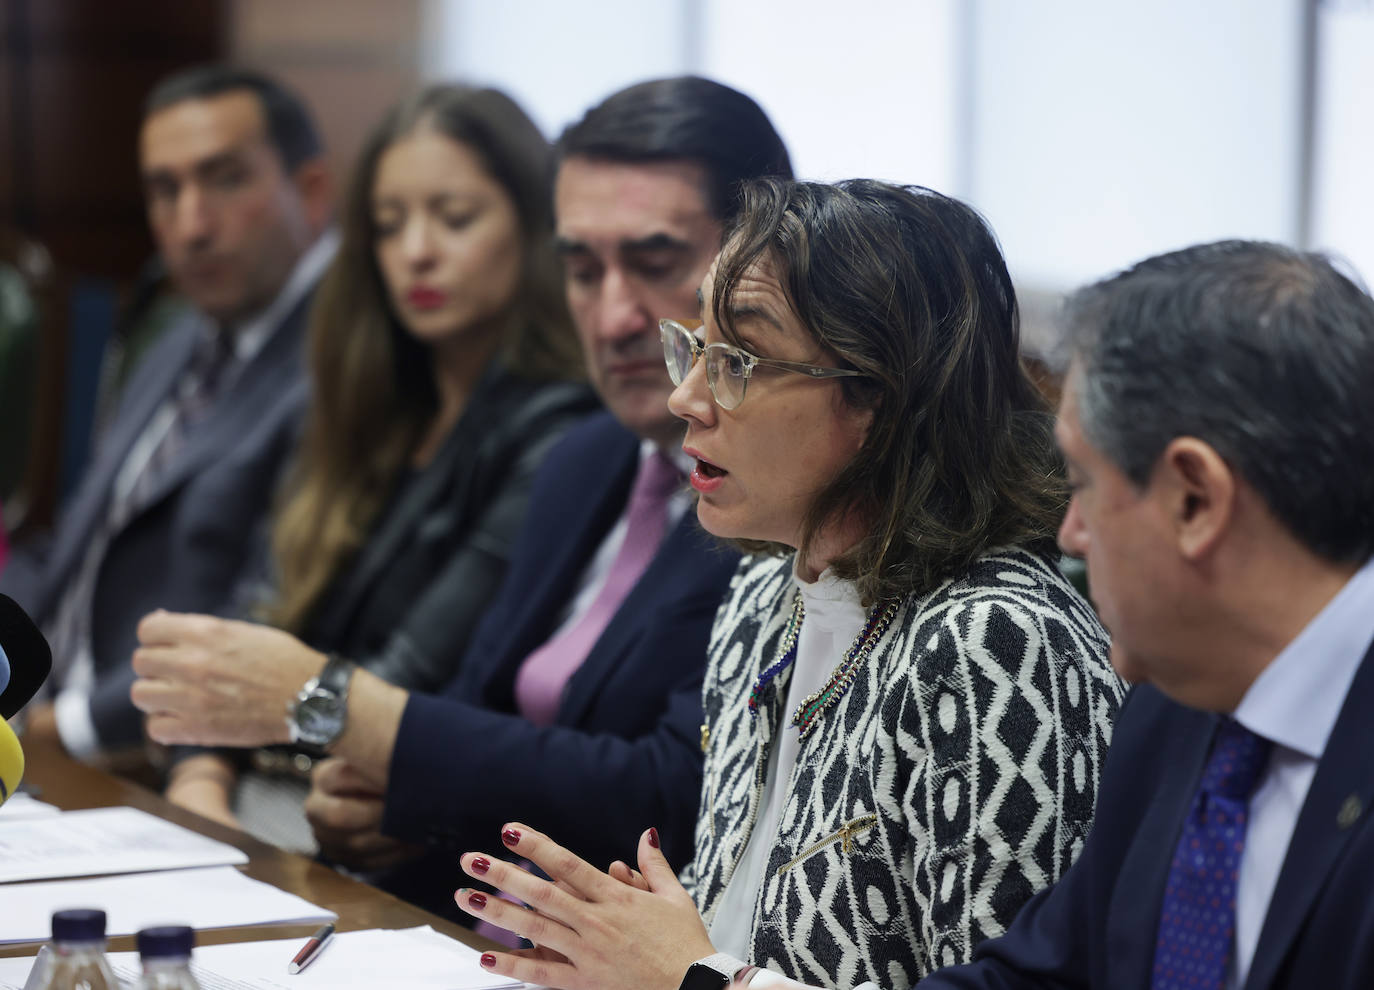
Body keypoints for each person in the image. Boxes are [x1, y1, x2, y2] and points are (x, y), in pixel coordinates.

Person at [129, 76, 792, 915]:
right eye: (583, 269)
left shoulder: (779, 491)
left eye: (655, 263)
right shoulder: (589, 456)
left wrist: (340, 709)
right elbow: (471, 702)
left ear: (764, 263)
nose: (616, 314)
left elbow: (674, 794)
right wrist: (395, 809)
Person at [449, 179, 1123, 989]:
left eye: (736, 362)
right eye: (694, 347)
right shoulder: (758, 600)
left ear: (878, 396)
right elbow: (737, 943)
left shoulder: (1000, 645)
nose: (685, 398)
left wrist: (686, 975)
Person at [910, 241, 1374, 990]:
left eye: (1082, 482)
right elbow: (1045, 979)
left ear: (1195, 499)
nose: (1070, 534)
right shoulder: (1173, 710)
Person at [158, 83, 598, 848]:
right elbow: (252, 615)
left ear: (533, 228)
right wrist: (200, 775)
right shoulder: (370, 398)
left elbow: (410, 679)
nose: (416, 251)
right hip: (243, 794)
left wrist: (251, 729)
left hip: (359, 813)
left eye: (454, 218)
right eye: (389, 227)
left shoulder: (562, 429)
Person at [2, 65, 335, 760]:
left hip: (140, 753)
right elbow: (75, 543)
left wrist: (57, 730)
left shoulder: (343, 365)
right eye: (165, 189)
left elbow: (265, 618)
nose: (190, 225)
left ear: (311, 191)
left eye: (224, 179)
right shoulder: (181, 333)